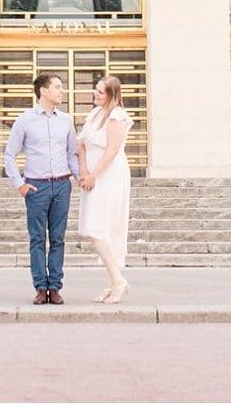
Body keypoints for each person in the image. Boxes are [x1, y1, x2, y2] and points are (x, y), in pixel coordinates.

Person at [1, 71, 80, 305]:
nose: (61, 90)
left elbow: (72, 154)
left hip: (61, 186)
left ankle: (54, 287)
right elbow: (9, 155)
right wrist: (20, 184)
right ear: (43, 91)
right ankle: (40, 287)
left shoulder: (66, 120)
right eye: (57, 87)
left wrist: (81, 179)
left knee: (58, 239)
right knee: (37, 239)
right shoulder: (25, 120)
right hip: (36, 187)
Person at [76, 75, 133, 303]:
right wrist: (83, 172)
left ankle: (118, 281)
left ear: (112, 94)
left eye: (101, 92)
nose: (96, 95)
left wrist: (94, 175)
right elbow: (81, 145)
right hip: (91, 175)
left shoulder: (117, 116)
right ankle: (114, 281)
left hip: (109, 175)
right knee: (91, 228)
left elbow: (112, 150)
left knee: (97, 227)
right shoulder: (93, 114)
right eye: (95, 90)